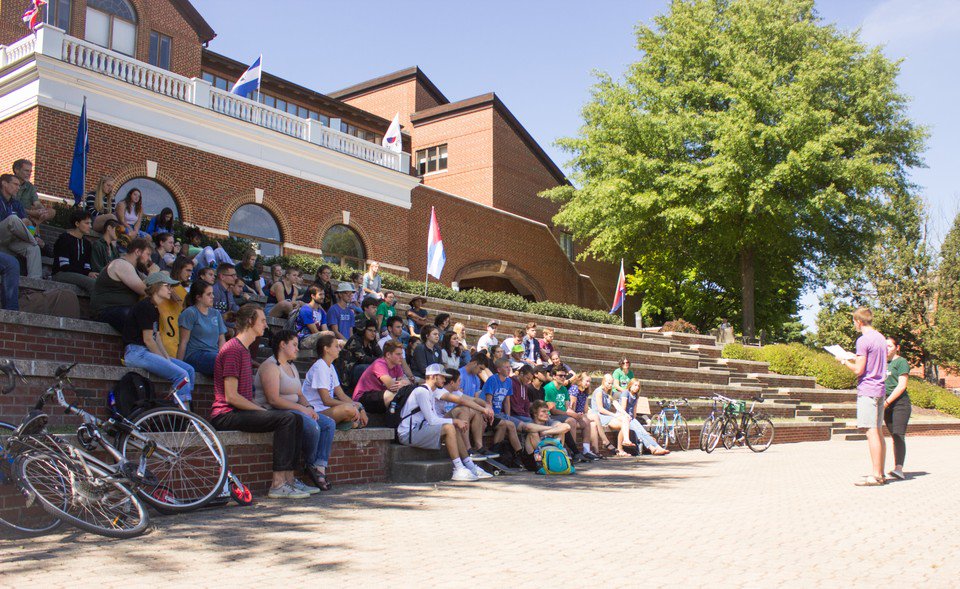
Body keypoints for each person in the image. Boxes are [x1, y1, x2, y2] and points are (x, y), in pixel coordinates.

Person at [209, 305, 307, 499]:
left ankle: (289, 479)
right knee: (287, 419)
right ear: (250, 321)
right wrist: (260, 410)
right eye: (262, 320)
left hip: (240, 411)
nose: (266, 325)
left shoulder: (244, 350)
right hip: (225, 414)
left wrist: (258, 409)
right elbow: (231, 396)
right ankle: (278, 484)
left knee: (296, 418)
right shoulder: (233, 350)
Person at [254, 329, 334, 492]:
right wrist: (302, 409)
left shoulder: (292, 366)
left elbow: (300, 394)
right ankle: (310, 464)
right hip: (276, 411)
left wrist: (309, 407)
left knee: (328, 424)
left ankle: (319, 466)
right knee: (313, 426)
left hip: (296, 409)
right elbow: (273, 400)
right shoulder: (270, 365)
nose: (298, 349)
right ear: (282, 345)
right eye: (294, 345)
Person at [395, 363, 491, 481]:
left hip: (420, 429)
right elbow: (432, 420)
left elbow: (432, 419)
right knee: (449, 427)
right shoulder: (422, 391)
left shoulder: (431, 391)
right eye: (442, 377)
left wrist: (454, 422)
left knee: (453, 427)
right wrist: (454, 420)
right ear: (433, 377)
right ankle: (459, 468)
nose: (445, 380)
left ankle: (470, 466)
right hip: (408, 433)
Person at [121, 271, 195, 406]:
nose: (170, 290)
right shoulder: (145, 306)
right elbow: (148, 340)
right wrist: (165, 361)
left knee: (189, 370)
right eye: (167, 286)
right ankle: (183, 413)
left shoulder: (155, 308)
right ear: (156, 287)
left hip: (145, 352)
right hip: (136, 352)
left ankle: (182, 406)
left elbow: (157, 337)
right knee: (182, 375)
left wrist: (166, 358)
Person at [840, 307, 888, 486]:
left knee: (871, 431)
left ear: (859, 322)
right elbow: (871, 359)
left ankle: (875, 475)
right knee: (879, 431)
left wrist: (844, 361)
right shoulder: (880, 338)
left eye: (854, 322)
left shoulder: (863, 340)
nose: (854, 325)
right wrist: (855, 356)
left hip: (868, 390)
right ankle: (880, 473)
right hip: (880, 389)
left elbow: (859, 370)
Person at [302, 332, 368, 429]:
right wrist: (352, 406)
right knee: (349, 409)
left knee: (357, 405)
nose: (339, 349)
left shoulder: (331, 367)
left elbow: (341, 395)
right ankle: (344, 423)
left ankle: (345, 422)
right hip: (315, 411)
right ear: (326, 349)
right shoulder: (320, 367)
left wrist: (359, 407)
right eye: (336, 346)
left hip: (327, 410)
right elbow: (326, 400)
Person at [90, 237, 152, 332]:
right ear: (137, 252)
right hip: (105, 310)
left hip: (121, 310)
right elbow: (145, 290)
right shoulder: (121, 264)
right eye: (148, 254)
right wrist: (153, 273)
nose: (149, 259)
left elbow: (153, 284)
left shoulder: (134, 269)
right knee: (134, 316)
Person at [544, 367, 603, 461]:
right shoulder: (549, 388)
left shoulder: (563, 389)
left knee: (586, 420)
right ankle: (572, 452)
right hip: (552, 416)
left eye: (564, 376)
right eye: (560, 375)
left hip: (564, 414)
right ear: (554, 376)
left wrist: (576, 415)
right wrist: (572, 414)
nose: (563, 378)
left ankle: (586, 451)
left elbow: (568, 408)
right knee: (571, 421)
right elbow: (553, 410)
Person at [177, 280, 227, 376]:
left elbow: (221, 339)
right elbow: (183, 342)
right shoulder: (190, 313)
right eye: (209, 294)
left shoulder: (216, 313)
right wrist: (179, 365)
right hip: (195, 354)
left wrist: (223, 355)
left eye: (212, 293)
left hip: (214, 354)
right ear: (198, 297)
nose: (213, 296)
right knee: (224, 363)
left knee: (234, 360)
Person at [0, 173, 42, 278]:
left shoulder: (16, 204)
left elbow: (28, 223)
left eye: (19, 185)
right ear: (4, 183)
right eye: (15, 184)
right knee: (13, 219)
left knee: (34, 248)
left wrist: (32, 230)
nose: (18, 188)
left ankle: (35, 282)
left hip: (11, 240)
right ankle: (33, 240)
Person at [352, 340, 411, 413]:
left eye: (401, 354)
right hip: (362, 398)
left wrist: (404, 384)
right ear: (388, 355)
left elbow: (406, 383)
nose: (401, 357)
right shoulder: (379, 364)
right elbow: (392, 386)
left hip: (379, 395)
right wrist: (403, 384)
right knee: (393, 395)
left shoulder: (397, 365)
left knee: (404, 394)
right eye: (398, 354)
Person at [884, 337, 911, 480]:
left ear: (897, 347)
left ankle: (899, 469)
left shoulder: (901, 362)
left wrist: (887, 402)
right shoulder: (882, 362)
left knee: (898, 434)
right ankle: (893, 467)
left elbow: (902, 386)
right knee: (893, 435)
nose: (886, 349)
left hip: (900, 403)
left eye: (889, 346)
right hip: (885, 403)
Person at [52, 208, 97, 294]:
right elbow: (64, 266)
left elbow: (87, 265)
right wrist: (86, 274)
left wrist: (89, 273)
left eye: (90, 223)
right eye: (87, 223)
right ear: (77, 223)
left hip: (78, 274)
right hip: (61, 274)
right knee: (93, 283)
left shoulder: (87, 243)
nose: (90, 226)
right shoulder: (65, 239)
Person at [619, 379, 669, 455]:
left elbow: (634, 409)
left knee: (643, 432)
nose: (637, 387)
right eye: (635, 385)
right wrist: (629, 418)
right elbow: (623, 409)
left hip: (632, 418)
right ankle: (651, 448)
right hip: (624, 417)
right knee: (638, 432)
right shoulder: (626, 393)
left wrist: (634, 419)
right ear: (630, 385)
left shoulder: (636, 396)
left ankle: (658, 447)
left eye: (638, 386)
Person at [589, 374, 634, 457]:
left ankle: (623, 444)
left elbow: (616, 404)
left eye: (611, 383)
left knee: (625, 420)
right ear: (603, 381)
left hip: (606, 416)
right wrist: (614, 415)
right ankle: (622, 446)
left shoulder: (610, 392)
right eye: (608, 383)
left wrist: (626, 414)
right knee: (623, 422)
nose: (610, 385)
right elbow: (600, 409)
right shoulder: (599, 392)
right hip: (599, 416)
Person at [520, 401, 573, 470]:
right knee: (533, 433)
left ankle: (557, 455)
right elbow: (528, 427)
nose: (547, 413)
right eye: (543, 411)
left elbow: (567, 427)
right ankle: (543, 458)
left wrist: (545, 432)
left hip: (552, 455)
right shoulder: (529, 423)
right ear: (535, 413)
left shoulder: (549, 422)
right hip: (534, 459)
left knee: (561, 432)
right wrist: (552, 428)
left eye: (547, 411)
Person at [158, 255, 192, 358]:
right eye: (187, 270)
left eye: (191, 271)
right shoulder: (166, 284)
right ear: (179, 269)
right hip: (166, 331)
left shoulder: (183, 291)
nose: (190, 274)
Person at [341, 320, 382, 387]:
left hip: (359, 371)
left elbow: (381, 355)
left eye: (374, 331)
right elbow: (364, 359)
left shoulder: (372, 341)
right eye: (370, 330)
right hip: (348, 373)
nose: (373, 333)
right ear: (363, 330)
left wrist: (383, 361)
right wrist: (380, 361)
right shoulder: (354, 340)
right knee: (367, 368)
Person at [12, 159, 53, 226]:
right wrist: (31, 212)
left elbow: (37, 203)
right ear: (17, 170)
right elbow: (10, 206)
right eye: (26, 171)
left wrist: (43, 210)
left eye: (30, 171)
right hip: (11, 216)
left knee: (52, 212)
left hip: (26, 217)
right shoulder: (7, 183)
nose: (29, 174)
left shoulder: (30, 187)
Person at [377, 316, 417, 381]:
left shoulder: (399, 344)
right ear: (390, 328)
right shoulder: (382, 342)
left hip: (399, 376)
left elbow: (404, 364)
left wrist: (412, 378)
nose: (401, 329)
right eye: (398, 327)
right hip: (386, 376)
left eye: (401, 327)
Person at [295, 285, 327, 350]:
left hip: (315, 337)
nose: (323, 297)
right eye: (320, 294)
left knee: (339, 342)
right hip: (303, 340)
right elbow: (314, 331)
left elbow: (325, 329)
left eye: (323, 294)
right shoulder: (306, 309)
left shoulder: (322, 312)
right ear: (313, 296)